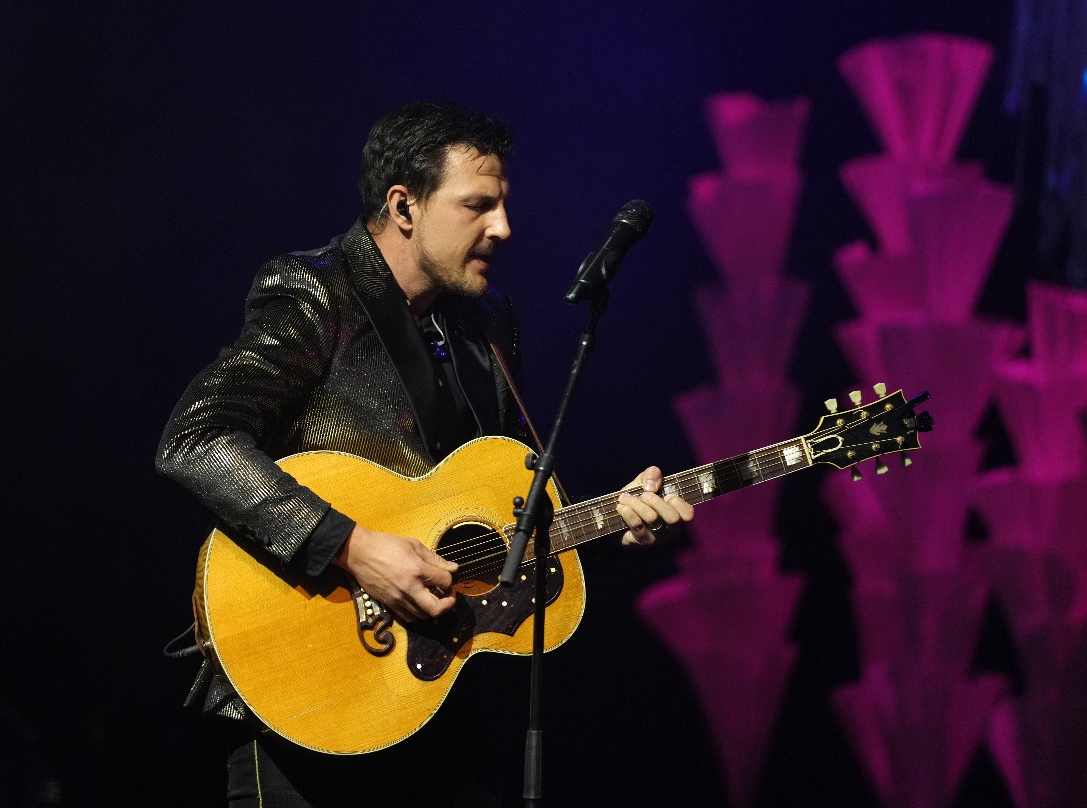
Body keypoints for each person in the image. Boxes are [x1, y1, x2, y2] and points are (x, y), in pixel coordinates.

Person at [156, 100, 694, 806]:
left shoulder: (486, 322)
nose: (503, 227)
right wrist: (353, 548)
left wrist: (614, 527)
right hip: (310, 699)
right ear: (403, 205)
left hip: (440, 705)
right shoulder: (318, 293)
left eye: (502, 205)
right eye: (478, 206)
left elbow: (505, 528)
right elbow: (194, 438)